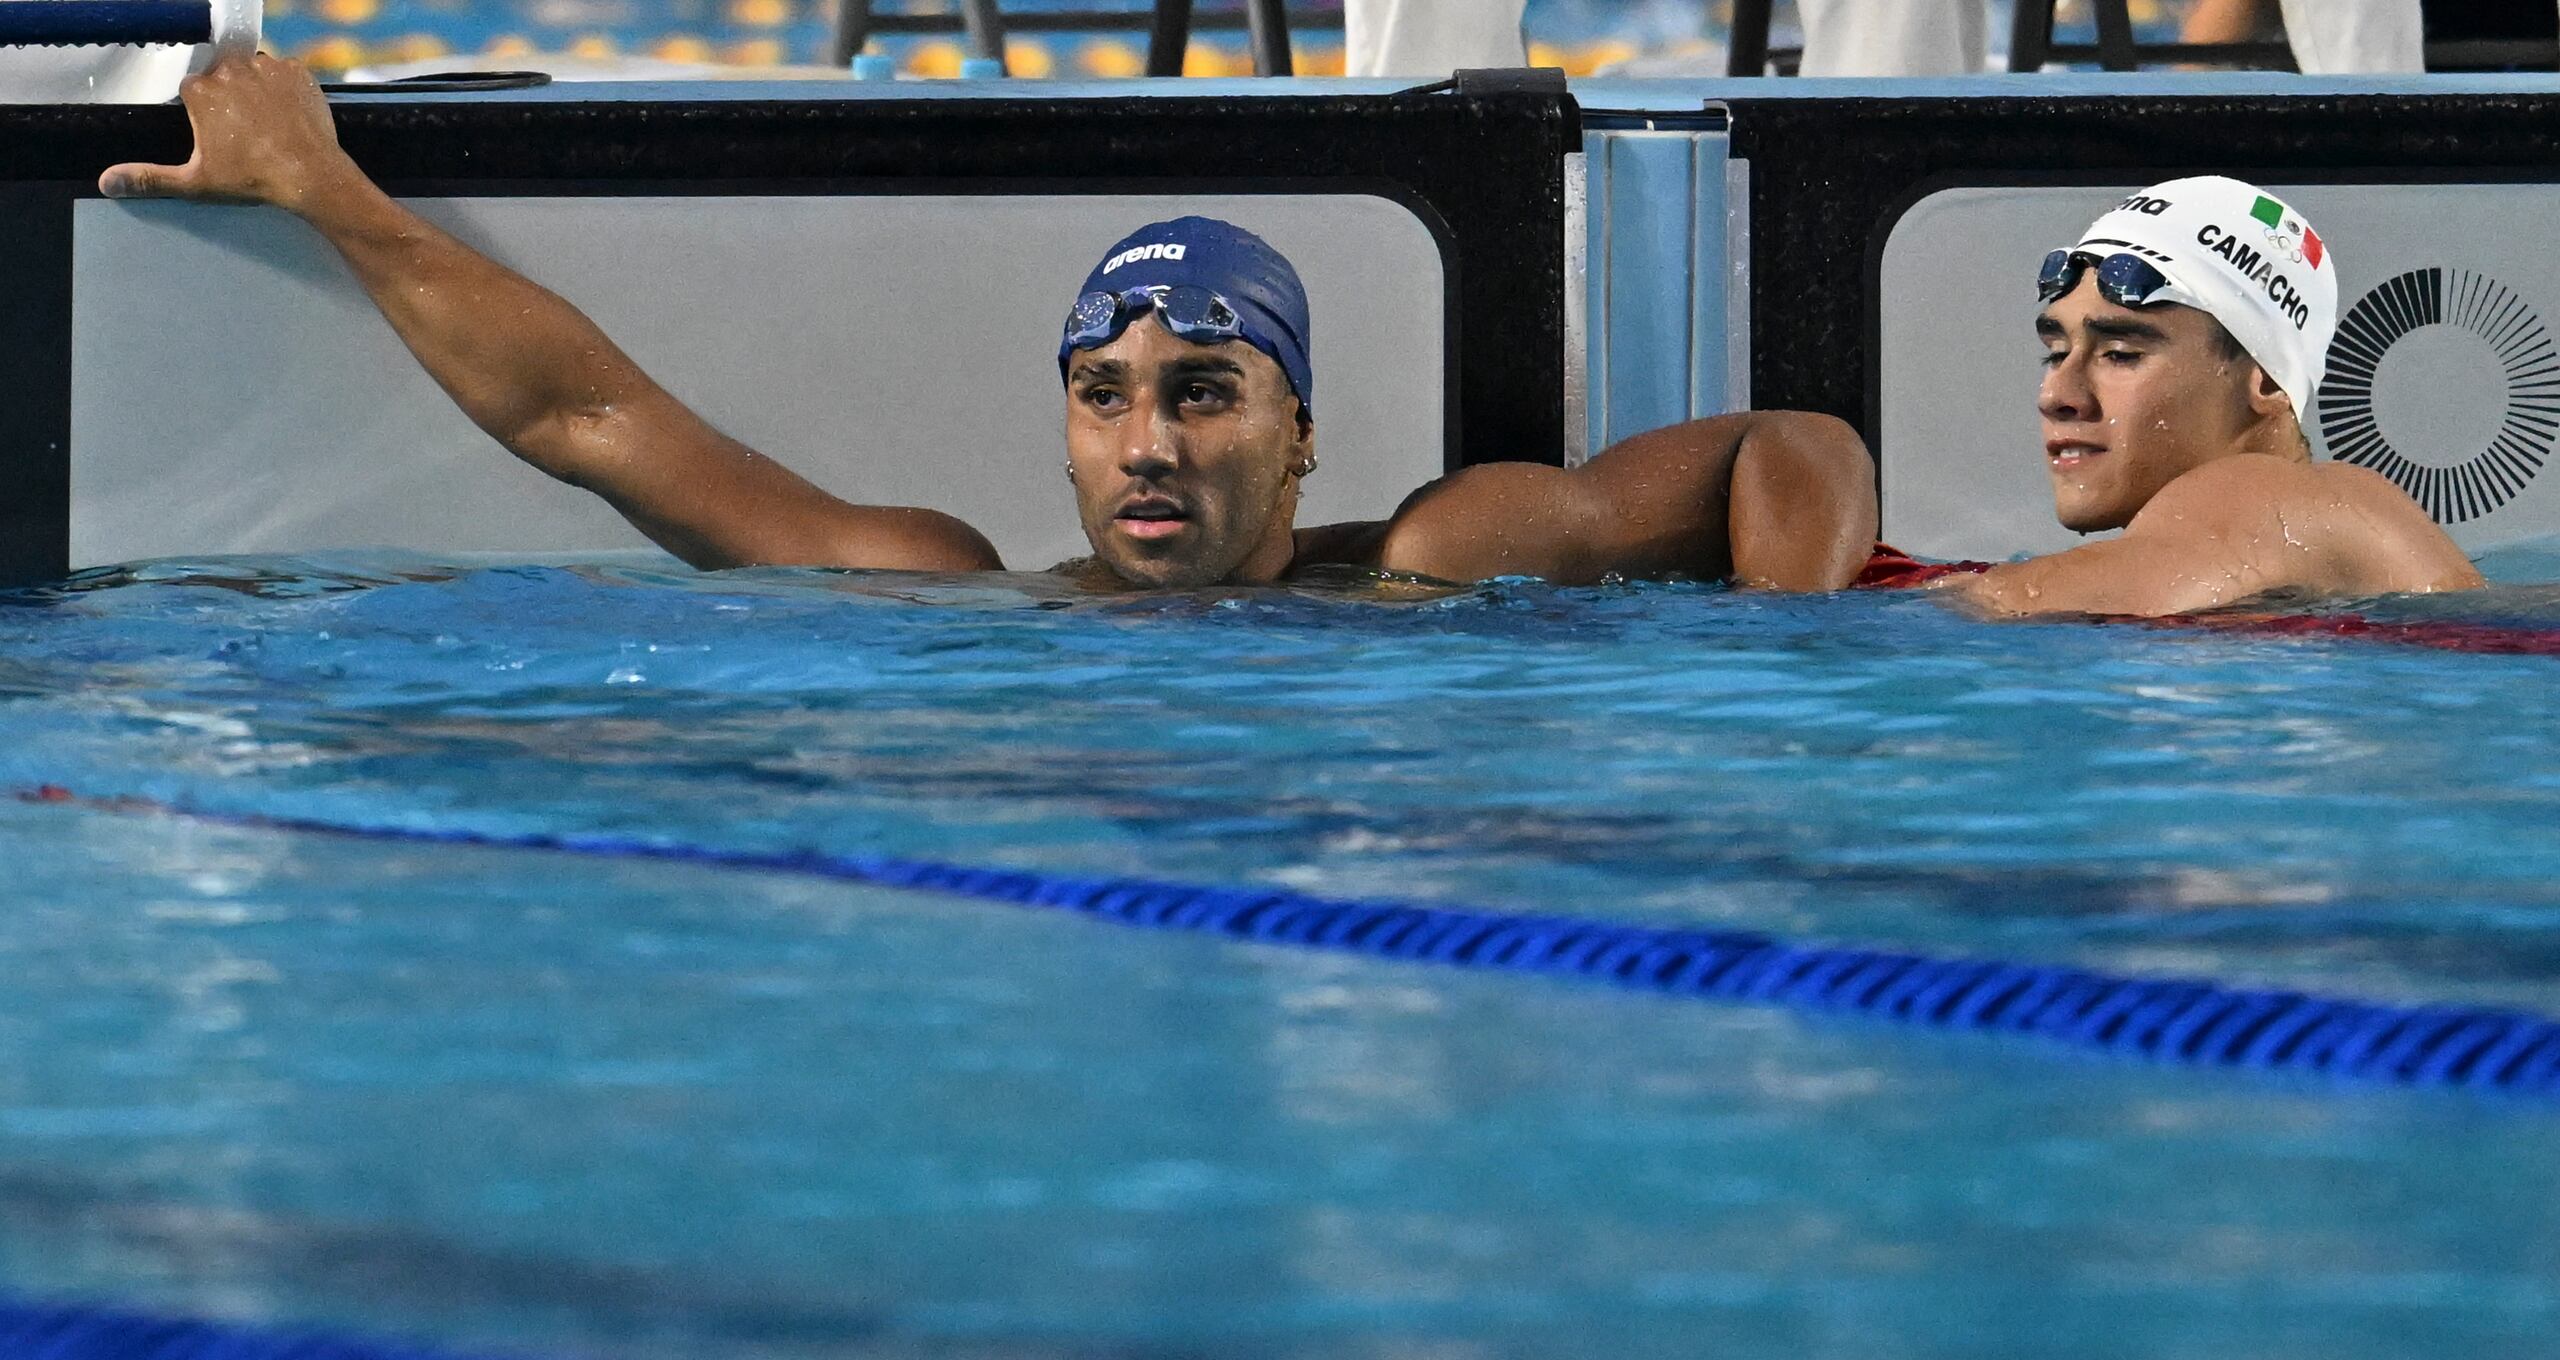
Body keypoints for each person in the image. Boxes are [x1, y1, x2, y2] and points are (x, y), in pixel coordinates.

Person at [99, 55, 1878, 597]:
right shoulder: (956, 597)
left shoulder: (1423, 562)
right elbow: (593, 426)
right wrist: (331, 194)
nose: (1151, 441)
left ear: (1303, 429)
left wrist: (1800, 665)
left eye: (1206, 390)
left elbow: (1791, 444)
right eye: (1105, 395)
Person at [1909, 174, 2481, 618]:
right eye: (2056, 354)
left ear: (2266, 381)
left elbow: (1994, 611)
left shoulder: (2270, 492)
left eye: (2121, 355)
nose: (2058, 394)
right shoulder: (2291, 560)